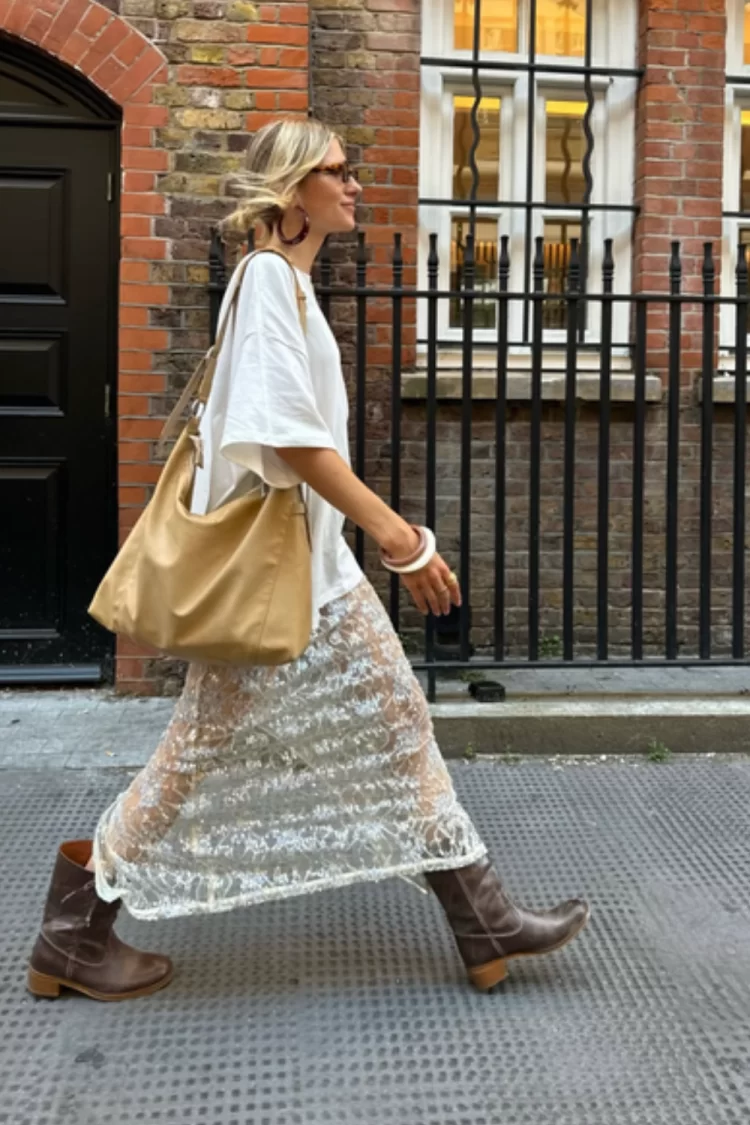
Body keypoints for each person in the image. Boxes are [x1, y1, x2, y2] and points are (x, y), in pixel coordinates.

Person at [27, 118, 589, 1003]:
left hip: (313, 570)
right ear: (292, 191)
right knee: (198, 755)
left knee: (393, 720)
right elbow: (287, 440)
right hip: (288, 579)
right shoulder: (264, 282)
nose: (353, 183)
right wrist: (401, 538)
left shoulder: (287, 284)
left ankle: (483, 919)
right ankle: (74, 930)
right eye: (336, 170)